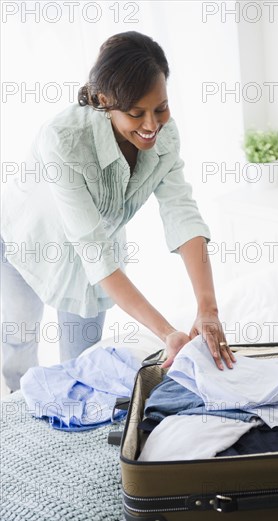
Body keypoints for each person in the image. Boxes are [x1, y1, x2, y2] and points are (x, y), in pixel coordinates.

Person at [1, 31, 235, 393]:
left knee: (82, 366)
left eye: (160, 108)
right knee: (18, 345)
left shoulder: (165, 137)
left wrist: (209, 309)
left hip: (93, 261)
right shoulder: (62, 139)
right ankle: (20, 414)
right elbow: (91, 247)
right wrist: (167, 332)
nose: (151, 125)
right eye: (135, 113)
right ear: (103, 100)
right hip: (27, 241)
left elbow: (182, 213)